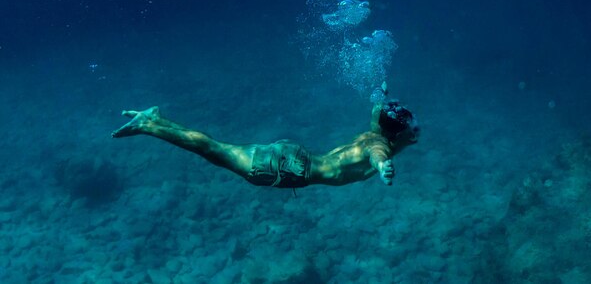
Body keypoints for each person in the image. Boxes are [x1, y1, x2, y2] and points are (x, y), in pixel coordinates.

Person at [111, 90, 419, 189]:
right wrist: (384, 169)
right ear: (395, 134)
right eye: (410, 131)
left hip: (294, 157)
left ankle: (155, 119)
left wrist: (381, 93)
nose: (414, 134)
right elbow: (379, 157)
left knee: (216, 149)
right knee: (211, 149)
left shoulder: (374, 131)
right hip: (288, 170)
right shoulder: (381, 147)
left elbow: (377, 110)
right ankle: (149, 125)